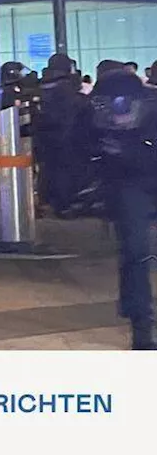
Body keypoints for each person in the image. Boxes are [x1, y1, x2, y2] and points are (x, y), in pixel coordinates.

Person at [83, 60, 158, 349]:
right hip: (127, 184)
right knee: (136, 251)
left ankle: (136, 312)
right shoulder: (90, 115)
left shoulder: (153, 112)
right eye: (107, 106)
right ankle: (141, 323)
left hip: (141, 173)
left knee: (134, 252)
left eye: (124, 105)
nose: (117, 113)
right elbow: (80, 146)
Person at [34, 54, 93, 216]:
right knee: (64, 170)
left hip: (44, 134)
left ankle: (45, 200)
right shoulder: (66, 85)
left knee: (47, 169)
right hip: (65, 133)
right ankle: (63, 204)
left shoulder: (41, 84)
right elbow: (75, 107)